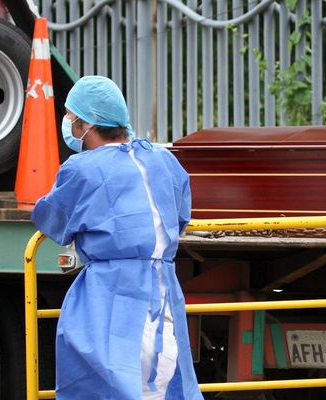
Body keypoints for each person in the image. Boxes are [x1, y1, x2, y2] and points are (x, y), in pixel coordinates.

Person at [32, 76, 203, 400]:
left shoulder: (81, 169)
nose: (66, 124)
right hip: (165, 292)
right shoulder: (163, 159)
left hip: (110, 296)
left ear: (86, 123)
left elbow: (51, 219)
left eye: (70, 117)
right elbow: (181, 216)